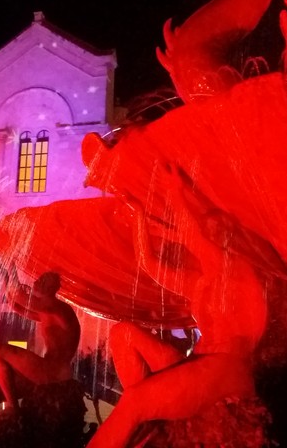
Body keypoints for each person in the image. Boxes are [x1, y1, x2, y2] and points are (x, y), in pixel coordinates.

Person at [85, 161, 268, 448]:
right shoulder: (201, 283)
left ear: (229, 235)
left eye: (217, 231)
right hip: (198, 362)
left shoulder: (238, 270)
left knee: (134, 401)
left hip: (226, 370)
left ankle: (140, 413)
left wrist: (177, 192)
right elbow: (151, 266)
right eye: (209, 231)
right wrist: (139, 217)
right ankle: (150, 419)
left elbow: (192, 237)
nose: (211, 237)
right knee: (123, 334)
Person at [0, 268, 81, 447]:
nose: (36, 280)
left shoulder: (58, 308)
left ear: (49, 287)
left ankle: (13, 408)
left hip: (53, 373)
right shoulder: (46, 310)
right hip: (43, 373)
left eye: (41, 279)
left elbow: (20, 297)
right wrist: (6, 280)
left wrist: (8, 272)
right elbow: (16, 305)